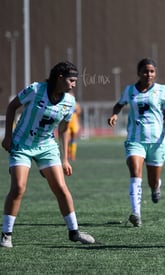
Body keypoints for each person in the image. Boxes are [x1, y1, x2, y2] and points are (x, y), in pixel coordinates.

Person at [1, 61, 95, 248]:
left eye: (75, 81)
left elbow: (64, 129)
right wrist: (8, 136)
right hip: (22, 145)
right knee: (19, 187)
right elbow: (12, 107)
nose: (74, 85)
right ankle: (6, 235)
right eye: (71, 80)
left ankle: (74, 232)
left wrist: (65, 158)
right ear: (60, 78)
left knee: (61, 188)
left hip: (47, 147)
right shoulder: (36, 89)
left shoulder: (69, 101)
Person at [108, 58, 165, 227]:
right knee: (135, 172)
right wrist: (114, 114)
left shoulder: (161, 90)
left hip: (156, 141)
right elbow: (118, 105)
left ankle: (156, 187)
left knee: (152, 180)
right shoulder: (129, 91)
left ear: (155, 73)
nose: (148, 74)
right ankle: (136, 213)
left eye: (151, 71)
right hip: (135, 140)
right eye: (145, 71)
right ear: (138, 73)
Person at [67, 92, 81, 161]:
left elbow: (78, 115)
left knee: (73, 140)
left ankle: (73, 155)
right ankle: (68, 153)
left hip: (74, 123)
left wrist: (78, 124)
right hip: (67, 123)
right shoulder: (65, 104)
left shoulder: (76, 105)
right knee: (67, 140)